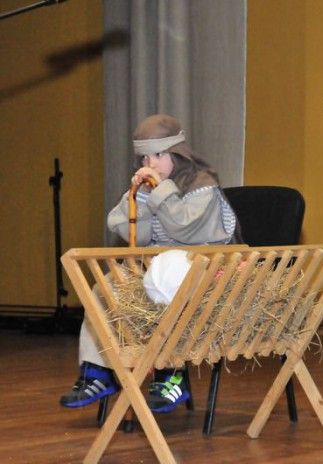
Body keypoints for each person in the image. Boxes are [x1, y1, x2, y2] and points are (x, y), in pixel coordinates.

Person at [59, 114, 239, 413]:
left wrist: (161, 191)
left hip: (199, 269)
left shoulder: (201, 185)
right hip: (155, 267)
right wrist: (141, 198)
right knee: (105, 289)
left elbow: (185, 230)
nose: (150, 163)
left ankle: (171, 373)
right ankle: (99, 370)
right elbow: (133, 232)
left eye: (158, 155)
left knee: (169, 282)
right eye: (145, 157)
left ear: (177, 154)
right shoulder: (152, 187)